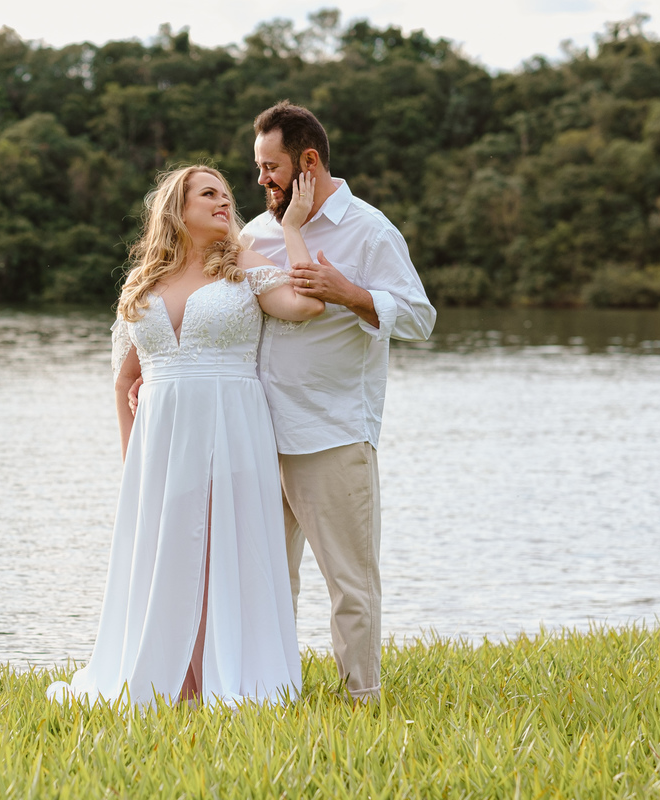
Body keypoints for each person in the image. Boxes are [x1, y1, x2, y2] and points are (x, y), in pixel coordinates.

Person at [49, 165, 324, 707]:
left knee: (224, 551)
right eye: (209, 194)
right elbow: (125, 381)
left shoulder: (242, 264)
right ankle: (172, 680)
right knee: (168, 555)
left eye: (226, 195)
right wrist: (132, 466)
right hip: (160, 442)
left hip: (232, 428)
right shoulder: (143, 282)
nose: (225, 202)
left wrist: (292, 228)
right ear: (177, 207)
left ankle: (221, 676)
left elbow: (306, 305)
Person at [243, 100, 437, 702]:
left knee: (350, 583)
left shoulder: (369, 230)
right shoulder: (256, 233)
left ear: (308, 162)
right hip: (256, 433)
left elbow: (421, 318)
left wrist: (350, 293)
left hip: (331, 432)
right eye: (258, 167)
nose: (261, 179)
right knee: (265, 580)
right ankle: (268, 690)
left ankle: (361, 699)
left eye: (271, 167)